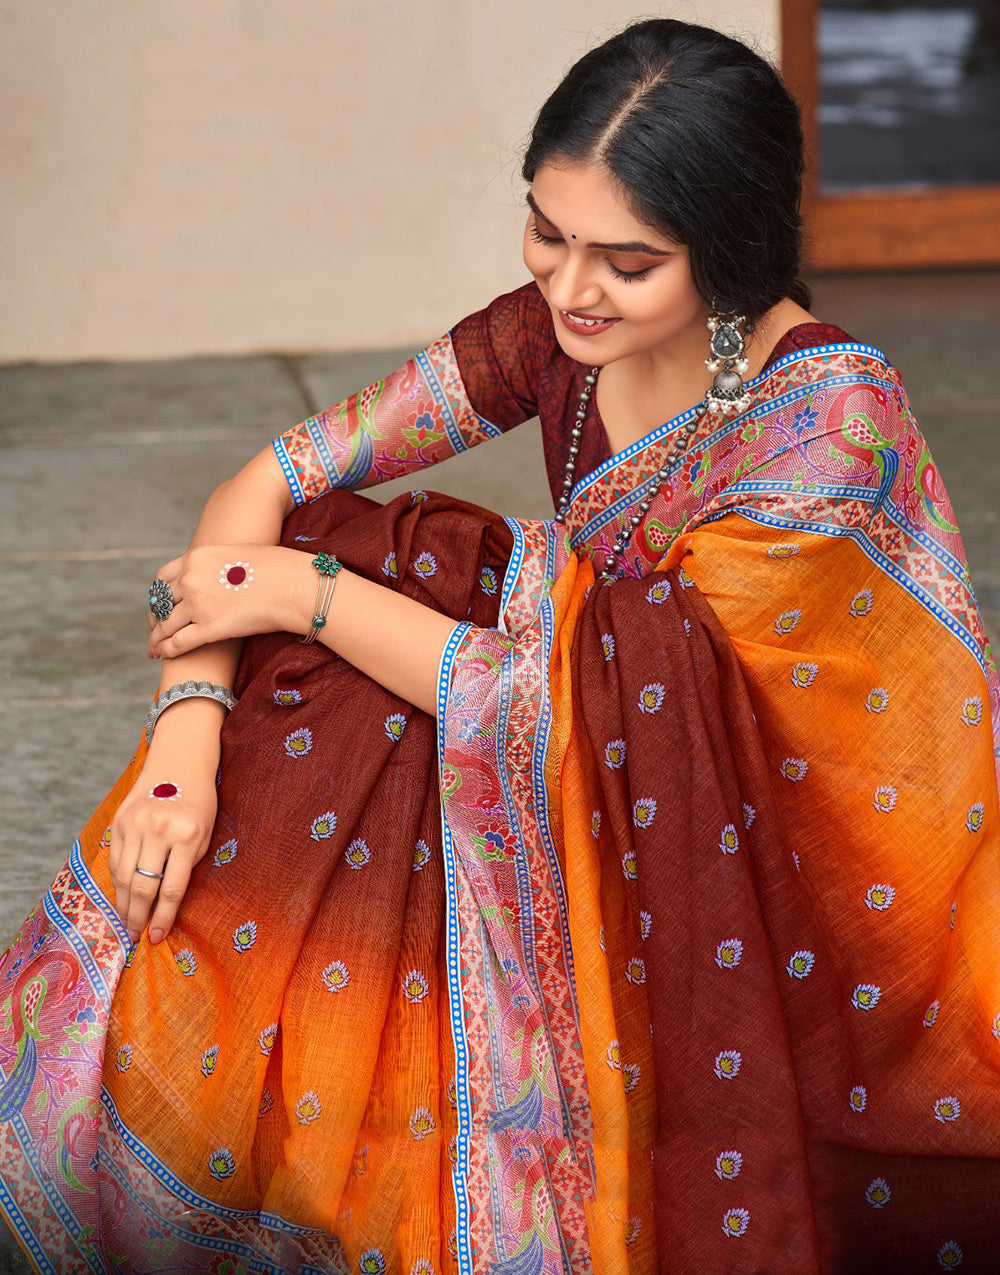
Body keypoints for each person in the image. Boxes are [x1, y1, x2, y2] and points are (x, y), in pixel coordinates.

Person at [1, 17, 998, 1275]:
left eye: (627, 261)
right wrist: (182, 740)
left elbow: (603, 702)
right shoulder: (551, 337)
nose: (572, 288)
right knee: (362, 579)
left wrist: (303, 593)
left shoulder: (824, 422)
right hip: (592, 756)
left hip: (770, 874)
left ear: (732, 252)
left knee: (370, 589)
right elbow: (272, 484)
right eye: (546, 231)